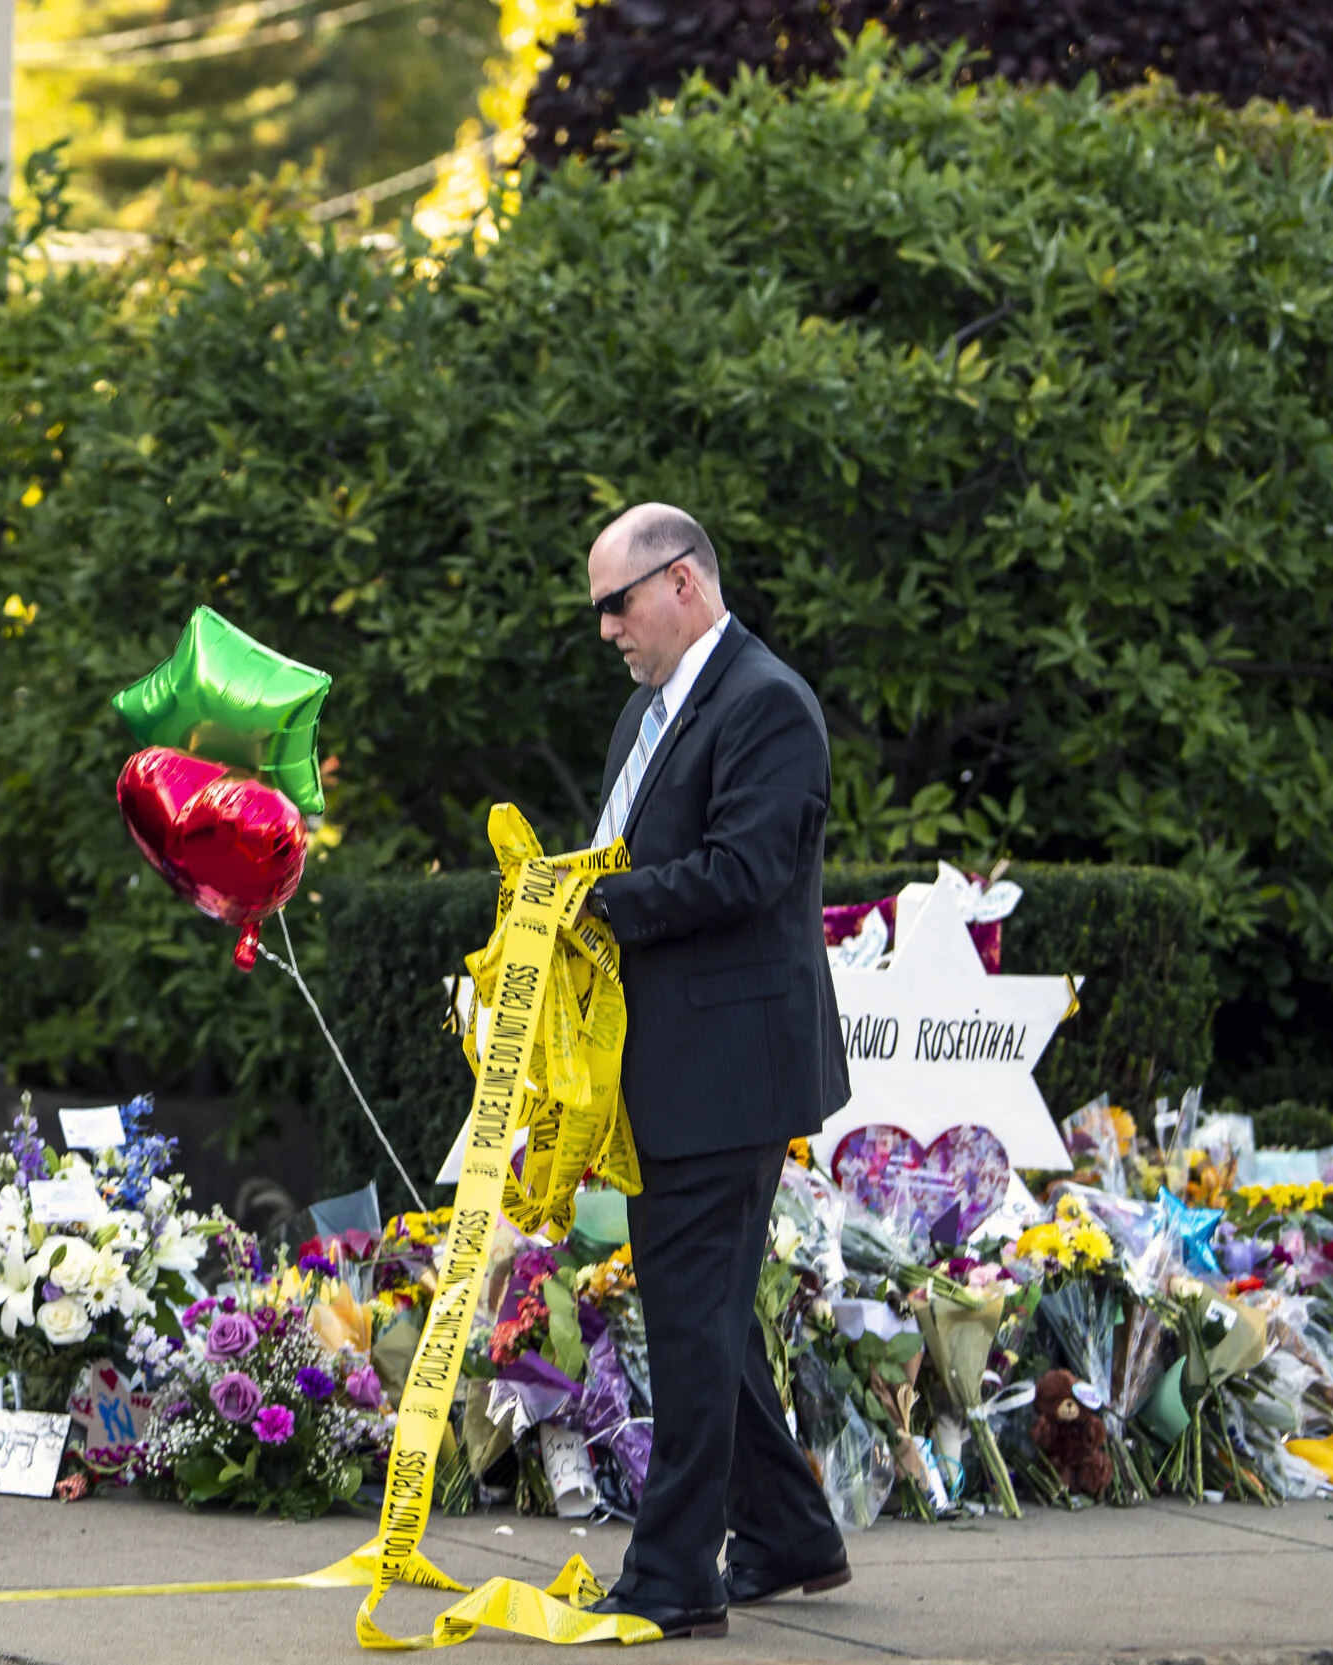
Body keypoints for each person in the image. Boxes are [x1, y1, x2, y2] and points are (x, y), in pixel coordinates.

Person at [574, 504, 852, 1640]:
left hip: (727, 1073)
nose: (606, 631)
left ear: (681, 583)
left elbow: (742, 870)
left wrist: (591, 904)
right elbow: (627, 853)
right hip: (674, 1071)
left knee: (691, 1322)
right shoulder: (653, 713)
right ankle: (788, 1533)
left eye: (616, 605)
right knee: (707, 1319)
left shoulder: (767, 704)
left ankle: (675, 1576)